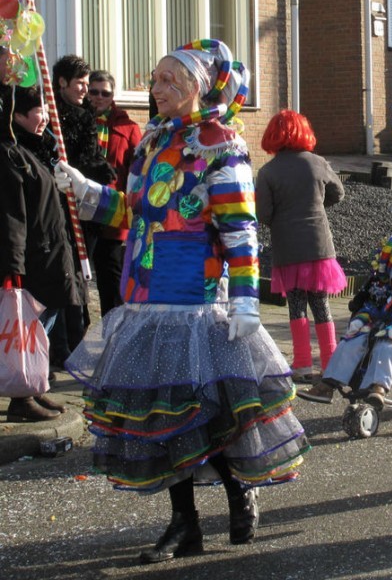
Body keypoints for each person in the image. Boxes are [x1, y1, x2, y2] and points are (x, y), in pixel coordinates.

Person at [54, 39, 309, 563]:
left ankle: (239, 490)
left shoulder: (221, 147)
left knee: (203, 417)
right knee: (159, 419)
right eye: (156, 78)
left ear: (201, 88)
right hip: (145, 297)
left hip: (195, 301)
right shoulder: (152, 143)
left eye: (172, 80)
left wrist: (244, 301)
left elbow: (240, 230)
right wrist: (85, 190)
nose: (158, 88)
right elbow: (132, 213)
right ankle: (184, 524)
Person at [1, 85, 81, 421]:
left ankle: (35, 386)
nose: (45, 117)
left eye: (47, 110)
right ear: (16, 115)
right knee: (28, 329)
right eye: (37, 110)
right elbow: (12, 216)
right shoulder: (10, 154)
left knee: (44, 325)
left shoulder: (36, 149)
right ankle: (22, 396)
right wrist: (13, 266)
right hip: (32, 258)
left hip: (51, 252)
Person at [255, 109, 347, 384]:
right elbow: (338, 194)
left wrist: (280, 220)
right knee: (321, 304)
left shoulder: (267, 172)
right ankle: (331, 362)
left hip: (288, 245)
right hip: (319, 243)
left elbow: (263, 214)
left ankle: (303, 363)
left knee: (296, 305)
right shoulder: (317, 163)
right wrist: (318, 205)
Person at [298, 239, 392, 409]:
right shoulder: (386, 299)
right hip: (377, 332)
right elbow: (371, 309)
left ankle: (379, 387)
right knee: (349, 342)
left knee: (385, 349)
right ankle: (328, 384)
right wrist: (361, 320)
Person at [50, 55, 116, 369]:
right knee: (66, 277)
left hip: (85, 208)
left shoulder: (86, 115)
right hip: (59, 207)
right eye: (80, 84)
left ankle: (76, 340)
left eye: (88, 85)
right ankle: (63, 344)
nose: (85, 91)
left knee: (80, 278)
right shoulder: (54, 116)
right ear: (62, 82)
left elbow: (91, 157)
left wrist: (99, 176)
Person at [87, 70, 142, 315]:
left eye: (105, 93)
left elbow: (137, 169)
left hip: (113, 210)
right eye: (94, 92)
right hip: (82, 208)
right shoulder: (76, 121)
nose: (99, 97)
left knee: (112, 277)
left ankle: (116, 333)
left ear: (112, 96)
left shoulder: (127, 126)